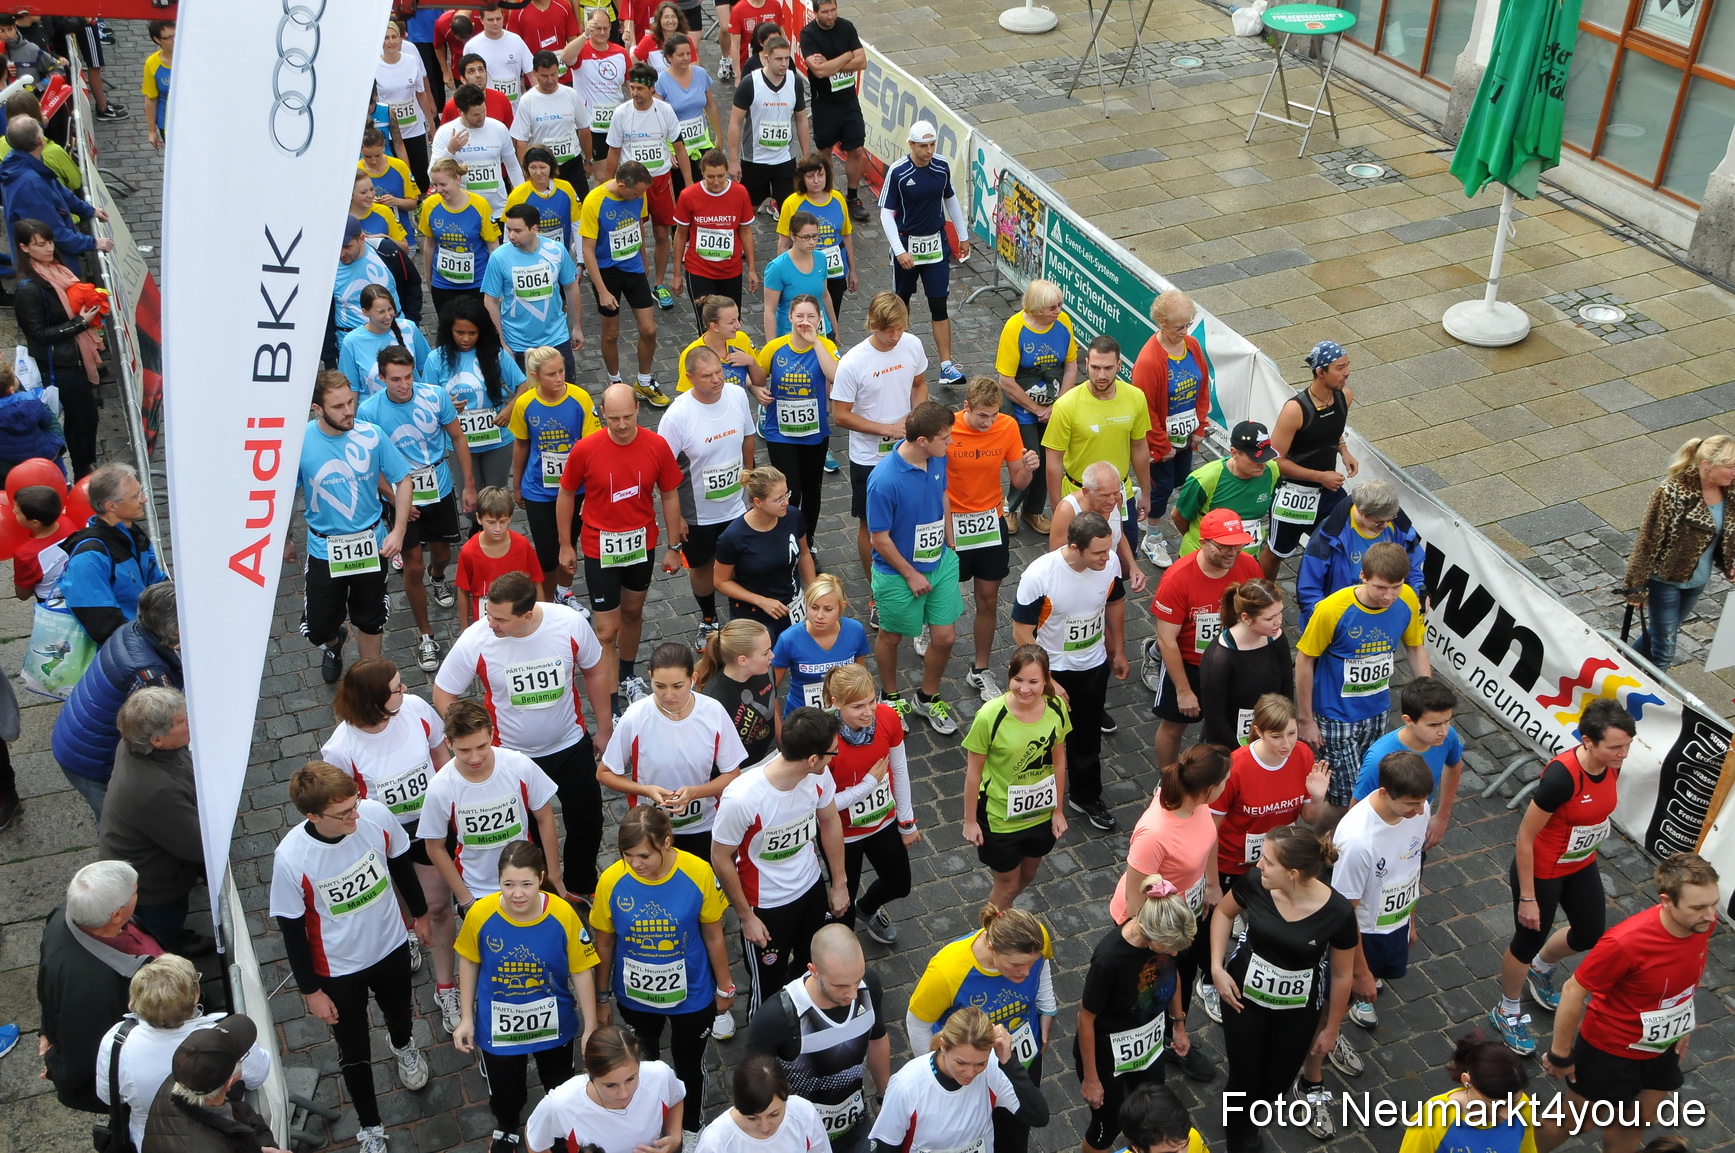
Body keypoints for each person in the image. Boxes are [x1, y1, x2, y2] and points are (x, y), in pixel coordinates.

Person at [270, 763, 432, 1153]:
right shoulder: (292, 858)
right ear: (313, 816)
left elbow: (400, 865)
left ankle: (403, 1046)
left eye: (355, 805)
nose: (355, 816)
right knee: (354, 1050)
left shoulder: (373, 816)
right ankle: (370, 1127)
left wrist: (421, 915)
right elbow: (291, 930)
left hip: (391, 945)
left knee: (399, 1014)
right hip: (339, 969)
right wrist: (311, 991)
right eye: (343, 814)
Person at [434, 575, 615, 896]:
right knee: (527, 834)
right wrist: (473, 742)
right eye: (488, 613)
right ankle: (541, 889)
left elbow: (596, 670)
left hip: (570, 746)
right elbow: (444, 692)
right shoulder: (477, 638)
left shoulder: (569, 624)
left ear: (527, 614)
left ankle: (581, 885)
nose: (490, 622)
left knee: (587, 821)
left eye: (500, 618)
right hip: (512, 759)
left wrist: (604, 727)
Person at [1537, 854, 1719, 1153]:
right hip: (1609, 1049)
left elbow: (1684, 976)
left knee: (1640, 1119)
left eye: (1714, 903)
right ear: (1667, 901)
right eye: (1699, 907)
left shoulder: (1701, 924)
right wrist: (1560, 1054)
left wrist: (1683, 1025)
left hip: (1661, 1045)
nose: (1711, 915)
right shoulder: (1625, 942)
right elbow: (1573, 990)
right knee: (1575, 1121)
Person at [1487, 698, 1634, 1057]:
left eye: (1628, 744)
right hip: (1542, 871)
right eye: (1615, 747)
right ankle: (1506, 1010)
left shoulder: (1610, 765)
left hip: (1581, 862)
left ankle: (1541, 969)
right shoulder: (1561, 778)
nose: (1623, 753)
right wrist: (1528, 897)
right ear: (1587, 741)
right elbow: (1524, 837)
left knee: (1590, 932)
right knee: (1527, 939)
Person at [1209, 826, 1357, 1153]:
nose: (1258, 865)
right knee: (1244, 1077)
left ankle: (1251, 1111)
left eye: (1267, 861)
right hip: (1243, 999)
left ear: (1292, 873)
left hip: (1298, 1012)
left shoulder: (1339, 913)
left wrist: (1332, 1029)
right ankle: (1239, 1134)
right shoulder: (1254, 884)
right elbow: (1223, 912)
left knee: (1275, 1086)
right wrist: (1217, 969)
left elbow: (1343, 975)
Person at [322, 658, 455, 999]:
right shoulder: (340, 748)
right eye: (397, 688)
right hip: (382, 837)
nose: (406, 689)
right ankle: (408, 933)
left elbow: (441, 758)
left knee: (438, 906)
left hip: (429, 827)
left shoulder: (415, 710)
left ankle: (446, 985)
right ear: (373, 701)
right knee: (401, 900)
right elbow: (341, 801)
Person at [454, 841, 600, 1151]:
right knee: (505, 1091)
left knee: (559, 1086)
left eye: (526, 884)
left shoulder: (562, 913)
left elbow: (581, 969)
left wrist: (590, 1026)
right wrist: (466, 1017)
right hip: (498, 1030)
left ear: (541, 878)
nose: (517, 893)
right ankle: (507, 1127)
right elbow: (468, 959)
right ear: (498, 882)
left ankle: (558, 1129)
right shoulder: (480, 914)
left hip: (555, 1025)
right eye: (508, 884)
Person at [592, 806, 739, 1099]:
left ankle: (691, 1127)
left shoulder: (697, 872)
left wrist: (725, 986)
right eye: (627, 854)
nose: (635, 864)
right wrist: (601, 997)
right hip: (635, 997)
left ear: (667, 843)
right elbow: (605, 942)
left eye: (644, 855)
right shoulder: (611, 881)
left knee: (689, 1067)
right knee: (644, 1068)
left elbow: (713, 934)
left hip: (693, 995)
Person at [556, 382, 686, 710]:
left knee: (632, 611)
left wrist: (674, 546)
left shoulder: (656, 446)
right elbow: (566, 493)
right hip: (600, 546)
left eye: (628, 416)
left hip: (641, 545)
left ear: (638, 410)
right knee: (605, 630)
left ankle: (627, 674)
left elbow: (670, 494)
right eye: (614, 419)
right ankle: (611, 701)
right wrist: (565, 545)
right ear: (602, 415)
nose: (623, 425)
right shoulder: (585, 449)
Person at [712, 706, 850, 1013]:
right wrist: (746, 917)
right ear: (812, 759)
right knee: (768, 987)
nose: (835, 756)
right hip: (767, 906)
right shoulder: (743, 797)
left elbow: (829, 821)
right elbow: (720, 858)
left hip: (810, 890)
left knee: (810, 966)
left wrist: (839, 882)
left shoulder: (819, 775)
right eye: (833, 752)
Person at [1111, 745, 1231, 1083]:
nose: (1227, 786)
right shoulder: (1155, 834)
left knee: (1183, 975)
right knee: (1148, 990)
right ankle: (1150, 1047)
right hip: (1152, 930)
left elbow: (1209, 839)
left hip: (1183, 920)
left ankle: (1173, 1035)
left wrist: (1211, 883)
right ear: (1208, 788)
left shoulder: (1199, 805)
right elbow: (1135, 900)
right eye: (1225, 781)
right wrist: (1155, 943)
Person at [1296, 541, 1430, 827]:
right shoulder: (1332, 609)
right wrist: (1306, 719)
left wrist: (1428, 704)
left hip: (1378, 709)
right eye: (1381, 587)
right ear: (1363, 576)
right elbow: (1305, 660)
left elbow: (1415, 648)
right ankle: (1323, 844)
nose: (1389, 595)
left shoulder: (1406, 599)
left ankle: (1339, 842)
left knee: (1368, 782)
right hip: (1335, 714)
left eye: (1396, 586)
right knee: (1346, 796)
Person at [358, 346, 475, 671]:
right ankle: (426, 635)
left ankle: (438, 578)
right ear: (381, 378)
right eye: (395, 379)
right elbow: (371, 466)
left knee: (441, 555)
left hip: (438, 486)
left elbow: (458, 438)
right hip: (398, 495)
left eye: (408, 377)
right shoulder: (369, 411)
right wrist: (397, 500)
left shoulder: (435, 396)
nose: (403, 385)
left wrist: (468, 484)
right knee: (412, 567)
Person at [1012, 511, 1128, 830]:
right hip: (1053, 671)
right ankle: (1030, 798)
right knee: (1039, 738)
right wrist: (1048, 681)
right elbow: (1021, 632)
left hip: (1093, 666)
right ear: (1075, 548)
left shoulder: (1110, 563)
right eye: (1099, 552)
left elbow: (1115, 601)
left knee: (1087, 736)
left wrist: (1118, 650)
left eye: (1108, 549)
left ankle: (1085, 796)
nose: (1107, 557)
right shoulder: (1040, 575)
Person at [904, 909, 1056, 1153]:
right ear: (992, 948)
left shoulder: (1037, 937)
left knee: (1016, 1131)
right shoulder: (946, 971)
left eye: (1031, 963)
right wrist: (937, 1075)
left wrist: (1047, 1007)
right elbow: (917, 1024)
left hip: (1019, 1057)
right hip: (969, 1067)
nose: (1025, 973)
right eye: (1017, 965)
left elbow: (1044, 962)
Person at [97, 957, 272, 1153]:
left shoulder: (117, 1039)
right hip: (215, 1135)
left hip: (145, 1139)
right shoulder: (216, 1040)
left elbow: (107, 1096)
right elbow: (259, 1073)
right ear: (195, 996)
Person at [743, 923, 889, 1153]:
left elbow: (877, 1039)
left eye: (856, 979)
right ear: (813, 970)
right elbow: (750, 1086)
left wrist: (884, 1096)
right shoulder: (778, 1016)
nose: (852, 993)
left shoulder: (868, 985)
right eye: (840, 985)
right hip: (799, 1138)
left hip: (854, 1129)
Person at [601, 641, 751, 860]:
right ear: (650, 676)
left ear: (693, 679)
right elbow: (604, 773)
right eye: (660, 686)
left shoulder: (713, 712)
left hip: (703, 826)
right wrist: (645, 790)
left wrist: (694, 793)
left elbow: (732, 773)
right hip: (650, 831)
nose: (668, 695)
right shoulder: (636, 716)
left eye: (677, 686)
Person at [1076, 884, 1196, 1153]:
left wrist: (1178, 1024)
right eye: (1170, 947)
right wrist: (1091, 1078)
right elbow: (1085, 1019)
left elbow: (1171, 974)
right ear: (1149, 933)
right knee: (1107, 1125)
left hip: (1149, 1046)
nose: (1175, 953)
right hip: (1109, 1053)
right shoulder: (1109, 960)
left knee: (1152, 1118)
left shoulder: (1169, 940)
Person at [866, 400, 962, 734]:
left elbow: (943, 495)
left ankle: (927, 696)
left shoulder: (937, 458)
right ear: (922, 441)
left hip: (940, 562)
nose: (950, 443)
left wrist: (950, 540)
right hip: (898, 574)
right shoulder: (884, 480)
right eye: (945, 438)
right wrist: (910, 573)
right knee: (891, 636)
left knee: (945, 637)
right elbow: (879, 539)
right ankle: (890, 695)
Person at [1325, 751, 1431, 1045]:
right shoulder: (1358, 841)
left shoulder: (1418, 807)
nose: (1420, 812)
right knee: (1335, 1003)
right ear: (1384, 792)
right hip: (1364, 936)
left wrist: (1410, 919)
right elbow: (1345, 915)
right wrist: (1360, 972)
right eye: (1412, 804)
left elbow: (1411, 866)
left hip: (1393, 927)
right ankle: (1325, 1044)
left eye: (1422, 802)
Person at [51, 581, 180, 820]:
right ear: (174, 631)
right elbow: (166, 734)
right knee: (119, 823)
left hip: (77, 735)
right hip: (89, 759)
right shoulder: (149, 676)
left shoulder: (133, 629)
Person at [38, 860, 161, 1112]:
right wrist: (54, 1063)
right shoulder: (94, 990)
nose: (138, 893)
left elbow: (49, 985)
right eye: (135, 892)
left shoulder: (66, 914)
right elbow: (85, 1056)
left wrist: (46, 1027)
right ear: (116, 915)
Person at [834, 293, 928, 611]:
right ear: (874, 324)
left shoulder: (912, 345)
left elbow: (918, 384)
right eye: (890, 331)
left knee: (909, 514)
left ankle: (909, 571)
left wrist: (917, 420)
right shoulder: (853, 363)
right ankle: (876, 592)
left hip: (908, 450)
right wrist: (887, 429)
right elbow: (841, 415)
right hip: (869, 457)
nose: (896, 337)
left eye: (901, 329)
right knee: (871, 524)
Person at [1146, 509, 1262, 771]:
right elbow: (1167, 640)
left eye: (1237, 545)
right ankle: (1168, 782)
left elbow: (1260, 612)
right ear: (1203, 543)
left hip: (1233, 662)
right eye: (1223, 547)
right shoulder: (1177, 579)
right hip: (1190, 664)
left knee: (1229, 725)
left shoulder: (1249, 566)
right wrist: (1184, 690)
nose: (1232, 553)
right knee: (1173, 728)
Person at [1205, 694, 1327, 936]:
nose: (1287, 744)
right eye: (1277, 736)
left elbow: (1311, 818)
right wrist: (1212, 884)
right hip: (1233, 862)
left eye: (1292, 733)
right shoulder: (1236, 767)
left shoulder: (1302, 755)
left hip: (1279, 860)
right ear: (1259, 731)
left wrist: (1318, 796)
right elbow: (1209, 831)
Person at [660, 345, 757, 646]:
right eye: (707, 376)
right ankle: (708, 620)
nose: (716, 380)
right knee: (702, 567)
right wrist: (676, 522)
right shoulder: (677, 416)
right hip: (698, 512)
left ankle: (743, 620)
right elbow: (663, 472)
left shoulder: (737, 395)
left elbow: (748, 436)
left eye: (719, 372)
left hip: (737, 506)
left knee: (743, 562)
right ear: (690, 378)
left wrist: (750, 479)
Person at [961, 645, 1070, 911]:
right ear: (1009, 675)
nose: (1024, 688)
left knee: (1028, 876)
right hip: (1000, 817)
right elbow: (974, 771)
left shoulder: (1056, 707)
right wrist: (970, 821)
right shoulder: (990, 716)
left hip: (1040, 814)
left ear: (1046, 679)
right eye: (1018, 680)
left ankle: (1000, 914)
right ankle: (991, 936)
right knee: (1007, 885)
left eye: (1033, 681)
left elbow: (1058, 760)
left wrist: (1058, 810)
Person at [97, 687, 202, 953]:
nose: (189, 721)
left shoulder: (135, 744)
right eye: (181, 722)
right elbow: (198, 845)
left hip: (149, 869)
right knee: (164, 933)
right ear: (157, 740)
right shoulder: (156, 791)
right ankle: (177, 952)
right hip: (155, 885)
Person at [950, 377, 1037, 698]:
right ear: (966, 408)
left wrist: (1029, 467)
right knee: (939, 596)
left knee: (987, 599)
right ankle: (924, 632)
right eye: (981, 415)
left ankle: (980, 669)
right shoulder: (948, 429)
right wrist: (946, 529)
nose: (988, 423)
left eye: (994, 414)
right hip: (952, 524)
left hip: (989, 522)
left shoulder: (1007, 426)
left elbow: (1019, 479)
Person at [821, 664, 918, 945]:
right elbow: (822, 806)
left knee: (900, 883)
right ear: (836, 703)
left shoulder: (887, 718)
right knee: (843, 906)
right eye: (857, 706)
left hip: (884, 821)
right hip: (842, 834)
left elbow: (899, 771)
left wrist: (907, 821)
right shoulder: (825, 739)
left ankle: (868, 908)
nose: (868, 712)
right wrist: (867, 785)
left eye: (872, 701)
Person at [1623, 434, 1735, 670]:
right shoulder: (1672, 492)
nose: (1734, 472)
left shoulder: (1731, 492)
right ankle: (1648, 704)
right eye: (1730, 466)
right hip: (1665, 580)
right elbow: (1647, 542)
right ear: (1707, 465)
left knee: (1660, 631)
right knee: (1664, 651)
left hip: (1697, 582)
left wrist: (1730, 561)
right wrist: (1635, 588)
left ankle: (1619, 668)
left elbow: (1727, 532)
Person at [508, 345, 602, 603]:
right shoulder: (525, 403)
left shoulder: (580, 398)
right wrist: (517, 486)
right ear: (536, 376)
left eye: (561, 371)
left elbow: (591, 446)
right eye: (551, 374)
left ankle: (564, 592)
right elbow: (522, 444)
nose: (559, 378)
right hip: (539, 489)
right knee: (547, 554)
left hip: (576, 489)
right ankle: (547, 601)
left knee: (569, 543)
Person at [879, 121, 969, 387]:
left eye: (932, 145)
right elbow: (886, 213)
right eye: (923, 146)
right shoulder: (898, 172)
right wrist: (899, 250)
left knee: (939, 304)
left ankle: (946, 366)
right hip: (908, 245)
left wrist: (962, 235)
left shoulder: (941, 167)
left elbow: (949, 198)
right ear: (911, 145)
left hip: (936, 246)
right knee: (901, 304)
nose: (929, 151)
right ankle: (897, 360)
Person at [11, 218, 103, 476]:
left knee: (81, 419)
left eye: (49, 241)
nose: (49, 248)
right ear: (24, 248)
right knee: (84, 419)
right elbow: (37, 333)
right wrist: (79, 324)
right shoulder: (29, 289)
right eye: (40, 244)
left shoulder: (57, 270)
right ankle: (87, 472)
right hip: (61, 365)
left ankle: (88, 469)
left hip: (73, 358)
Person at [1043, 336, 1152, 547]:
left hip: (1120, 494)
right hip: (1079, 495)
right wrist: (1057, 505)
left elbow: (1139, 447)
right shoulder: (1066, 405)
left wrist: (1146, 493)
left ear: (1119, 365)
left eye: (1109, 368)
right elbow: (1053, 459)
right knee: (1079, 559)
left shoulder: (1136, 397)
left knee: (1125, 563)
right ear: (1086, 365)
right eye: (1095, 367)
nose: (1101, 375)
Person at [1128, 289, 1210, 569]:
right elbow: (1145, 409)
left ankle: (1141, 496)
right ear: (1161, 323)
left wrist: (1200, 424)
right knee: (1162, 487)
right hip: (1159, 439)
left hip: (1185, 434)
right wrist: (1161, 445)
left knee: (1178, 480)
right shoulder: (1149, 361)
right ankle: (1151, 535)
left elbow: (1203, 385)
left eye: (1188, 325)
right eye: (1179, 327)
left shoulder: (1192, 346)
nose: (1185, 331)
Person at [426, 297, 528, 514]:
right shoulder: (436, 359)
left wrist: (509, 409)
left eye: (472, 333)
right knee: (471, 506)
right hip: (460, 442)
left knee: (496, 501)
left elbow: (523, 384)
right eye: (460, 332)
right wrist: (447, 407)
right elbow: (428, 401)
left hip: (497, 439)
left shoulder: (495, 354)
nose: (466, 339)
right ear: (449, 330)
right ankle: (478, 533)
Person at [582, 162, 670, 405]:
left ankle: (643, 383)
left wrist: (642, 257)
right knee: (611, 334)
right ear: (622, 185)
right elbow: (587, 250)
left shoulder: (638, 195)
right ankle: (615, 382)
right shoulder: (594, 201)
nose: (641, 197)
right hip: (607, 274)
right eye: (636, 193)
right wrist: (601, 291)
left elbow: (638, 226)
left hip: (633, 269)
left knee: (649, 330)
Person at [1267, 340, 1357, 574]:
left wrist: (1344, 450)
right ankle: (1261, 597)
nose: (1347, 373)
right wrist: (1319, 477)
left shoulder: (1345, 397)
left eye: (1347, 365)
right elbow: (1275, 460)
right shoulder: (1295, 410)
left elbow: (1332, 431)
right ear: (1320, 372)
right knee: (1278, 551)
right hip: (1294, 494)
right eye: (1340, 368)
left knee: (1341, 545)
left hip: (1328, 493)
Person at [607, 62, 691, 309]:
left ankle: (658, 283)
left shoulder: (664, 111)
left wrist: (688, 185)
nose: (635, 93)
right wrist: (606, 188)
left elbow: (680, 148)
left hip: (660, 182)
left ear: (652, 89)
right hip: (631, 185)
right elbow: (613, 153)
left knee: (662, 233)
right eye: (632, 87)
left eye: (640, 89)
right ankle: (641, 279)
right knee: (637, 235)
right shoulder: (621, 113)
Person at [59, 462, 171, 645]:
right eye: (135, 496)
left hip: (147, 639)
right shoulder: (88, 559)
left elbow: (158, 586)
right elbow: (104, 627)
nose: (144, 499)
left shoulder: (134, 535)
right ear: (111, 506)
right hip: (128, 654)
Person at [527, 1025, 687, 1153]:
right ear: (589, 1074)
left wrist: (675, 1137)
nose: (624, 1093)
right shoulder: (562, 1103)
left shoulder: (659, 1075)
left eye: (631, 1079)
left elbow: (675, 1098)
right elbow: (534, 1138)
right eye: (610, 1085)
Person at [997, 280, 1077, 536]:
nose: (1058, 310)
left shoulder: (1063, 322)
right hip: (1022, 408)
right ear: (1036, 308)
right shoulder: (1015, 328)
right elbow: (1006, 381)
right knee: (1029, 457)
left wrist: (1058, 406)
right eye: (1052, 307)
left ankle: (1033, 510)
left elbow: (1071, 367)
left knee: (1050, 458)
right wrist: (1036, 409)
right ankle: (1010, 506)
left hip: (1053, 406)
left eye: (1060, 304)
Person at [1295, 477, 1425, 627]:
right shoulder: (1329, 534)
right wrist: (1322, 620)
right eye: (1378, 522)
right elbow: (1309, 586)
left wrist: (1418, 591)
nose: (1385, 526)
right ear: (1361, 511)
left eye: (1390, 519)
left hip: (1381, 615)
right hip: (1340, 619)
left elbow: (1412, 564)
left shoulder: (1398, 525)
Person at [138, 1017, 279, 1153]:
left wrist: (259, 1147)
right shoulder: (210, 1147)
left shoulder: (177, 1082)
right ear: (229, 1082)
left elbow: (242, 1117)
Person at [758, 296, 838, 535]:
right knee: (789, 492)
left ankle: (808, 542)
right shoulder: (775, 347)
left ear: (819, 318)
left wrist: (815, 343)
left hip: (815, 433)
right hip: (780, 432)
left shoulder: (826, 346)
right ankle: (787, 541)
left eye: (811, 316)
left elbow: (836, 376)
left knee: (813, 491)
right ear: (790, 317)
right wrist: (756, 391)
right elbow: (757, 377)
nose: (805, 321)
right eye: (800, 316)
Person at [1352, 676, 1465, 841]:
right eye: (1433, 725)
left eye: (1447, 721)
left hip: (1418, 816)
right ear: (1408, 720)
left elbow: (1454, 765)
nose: (1444, 731)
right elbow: (1356, 811)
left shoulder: (1448, 738)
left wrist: (1442, 816)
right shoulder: (1379, 758)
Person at [484, 203, 586, 381]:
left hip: (557, 338)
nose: (511, 236)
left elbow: (571, 287)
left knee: (565, 389)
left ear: (534, 229)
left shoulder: (556, 251)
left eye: (517, 230)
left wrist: (577, 327)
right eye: (509, 229)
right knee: (526, 400)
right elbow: (491, 300)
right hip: (518, 343)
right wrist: (501, 342)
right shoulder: (499, 257)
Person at [715, 465, 816, 637]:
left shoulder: (792, 516)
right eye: (778, 499)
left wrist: (814, 592)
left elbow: (805, 553)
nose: (786, 502)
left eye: (787, 494)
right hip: (754, 617)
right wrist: (761, 601)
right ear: (757, 502)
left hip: (793, 608)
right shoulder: (732, 537)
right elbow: (720, 582)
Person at [1399, 1033, 1537, 1153]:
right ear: (1466, 1081)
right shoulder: (1432, 1121)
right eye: (1494, 1104)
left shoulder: (1523, 1105)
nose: (1506, 1115)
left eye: (1513, 1103)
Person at [1197, 578, 1292, 749]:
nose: (1278, 621)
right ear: (1246, 618)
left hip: (1270, 738)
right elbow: (1214, 717)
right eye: (1270, 618)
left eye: (1280, 613)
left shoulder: (1277, 638)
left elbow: (1286, 688)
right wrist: (1243, 753)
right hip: (1231, 744)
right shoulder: (1220, 657)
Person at [1171, 421, 1280, 570]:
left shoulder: (1272, 471)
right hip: (1204, 562)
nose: (1262, 465)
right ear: (1234, 453)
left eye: (1265, 458)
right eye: (1255, 459)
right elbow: (1179, 516)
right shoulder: (1205, 479)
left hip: (1246, 561)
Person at [0, 120, 112, 263]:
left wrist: (88, 210)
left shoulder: (24, 162)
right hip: (50, 262)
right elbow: (51, 231)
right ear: (40, 141)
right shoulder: (30, 183)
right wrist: (92, 243)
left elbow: (58, 190)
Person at [798, 0, 869, 221]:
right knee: (825, 150)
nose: (830, 16)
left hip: (848, 100)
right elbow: (819, 72)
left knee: (856, 149)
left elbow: (863, 62)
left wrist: (831, 64)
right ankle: (828, 194)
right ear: (815, 13)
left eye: (833, 10)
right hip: (824, 102)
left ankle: (852, 197)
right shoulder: (808, 34)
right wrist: (847, 55)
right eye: (825, 12)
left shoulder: (846, 27)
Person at [673, 149, 757, 328]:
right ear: (702, 172)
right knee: (707, 325)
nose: (716, 181)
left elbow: (746, 231)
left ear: (727, 170)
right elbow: (680, 234)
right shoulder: (688, 196)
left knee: (732, 323)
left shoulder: (740, 193)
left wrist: (752, 269)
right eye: (710, 177)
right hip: (699, 269)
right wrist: (676, 274)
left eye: (720, 175)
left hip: (731, 270)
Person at [728, 35, 811, 212]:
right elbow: (735, 122)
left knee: (790, 212)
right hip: (755, 159)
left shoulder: (794, 81)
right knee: (748, 209)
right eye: (779, 59)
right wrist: (734, 161)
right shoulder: (750, 83)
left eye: (787, 58)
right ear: (766, 58)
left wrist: (806, 155)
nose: (784, 63)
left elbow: (801, 119)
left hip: (784, 159)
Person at [772, 574, 872, 715]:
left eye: (828, 609)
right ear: (806, 603)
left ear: (842, 607)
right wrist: (780, 730)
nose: (819, 615)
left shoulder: (855, 630)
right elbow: (770, 691)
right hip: (803, 721)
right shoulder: (788, 639)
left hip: (843, 717)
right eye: (814, 607)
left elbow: (861, 680)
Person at [1048, 460, 1148, 600]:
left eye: (1116, 493)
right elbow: (1058, 558)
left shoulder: (1116, 500)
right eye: (1104, 495)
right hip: (1078, 582)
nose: (1112, 500)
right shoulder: (1068, 511)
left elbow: (1119, 535)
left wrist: (1133, 566)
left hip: (1108, 574)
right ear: (1086, 492)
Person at [776, 154, 855, 324]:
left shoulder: (838, 199)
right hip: (804, 269)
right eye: (810, 176)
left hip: (835, 269)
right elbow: (783, 243)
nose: (816, 180)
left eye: (820, 175)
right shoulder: (792, 203)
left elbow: (846, 235)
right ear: (802, 178)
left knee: (832, 311)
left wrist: (853, 270)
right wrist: (781, 275)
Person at [419, 156, 503, 316]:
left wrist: (497, 284)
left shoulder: (480, 205)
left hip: (477, 282)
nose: (439, 189)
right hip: (443, 282)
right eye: (435, 185)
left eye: (443, 184)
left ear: (457, 179)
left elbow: (493, 247)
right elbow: (429, 244)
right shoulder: (430, 205)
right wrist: (429, 277)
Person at [696, 1055, 830, 1153]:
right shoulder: (716, 1142)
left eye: (774, 1114)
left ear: (786, 1098)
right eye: (752, 1118)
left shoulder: (804, 1112)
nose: (765, 1127)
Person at [433, 82, 526, 222]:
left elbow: (513, 166)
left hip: (498, 210)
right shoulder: (446, 133)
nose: (482, 117)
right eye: (476, 114)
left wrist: (521, 199)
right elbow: (432, 174)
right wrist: (450, 151)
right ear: (460, 112)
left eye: (484, 111)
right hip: (463, 211)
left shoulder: (498, 128)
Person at [456, 486, 545, 623]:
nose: (498, 529)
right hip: (484, 616)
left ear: (510, 518)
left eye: (503, 522)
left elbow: (536, 583)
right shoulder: (468, 551)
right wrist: (464, 628)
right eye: (491, 522)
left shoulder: (522, 545)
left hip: (517, 613)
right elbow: (463, 591)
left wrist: (542, 617)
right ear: (479, 519)